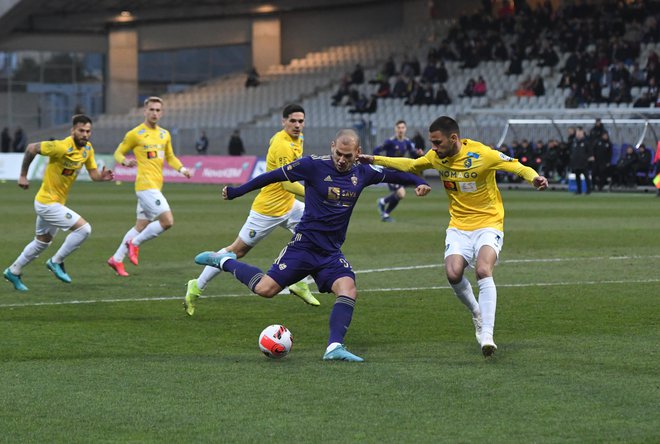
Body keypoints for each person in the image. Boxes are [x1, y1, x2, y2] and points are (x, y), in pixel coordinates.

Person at [194, 129, 431, 361]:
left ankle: (334, 347)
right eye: (338, 153)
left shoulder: (364, 172)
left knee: (348, 289)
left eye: (348, 156)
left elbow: (394, 175)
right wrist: (237, 191)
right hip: (303, 247)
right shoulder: (312, 165)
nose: (341, 159)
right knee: (265, 290)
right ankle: (224, 261)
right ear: (332, 147)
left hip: (330, 252)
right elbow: (272, 176)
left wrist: (418, 182)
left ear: (358, 152)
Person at [359, 116, 548, 357]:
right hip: (459, 226)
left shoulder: (482, 154)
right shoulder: (436, 157)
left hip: (488, 223)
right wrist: (373, 159)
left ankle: (487, 334)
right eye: (432, 143)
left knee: (482, 270)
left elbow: (517, 166)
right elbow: (410, 165)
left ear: (454, 138)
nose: (434, 148)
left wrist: (534, 178)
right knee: (453, 273)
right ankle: (477, 312)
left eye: (437, 142)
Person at [184, 104, 319, 316]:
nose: (297, 125)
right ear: (283, 121)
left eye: (301, 121)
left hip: (289, 205)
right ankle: (196, 286)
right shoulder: (282, 144)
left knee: (314, 233)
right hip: (269, 209)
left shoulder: (298, 139)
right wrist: (315, 193)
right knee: (236, 251)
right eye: (293, 121)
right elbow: (287, 183)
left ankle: (300, 282)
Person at [3, 114, 114, 292]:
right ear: (73, 131)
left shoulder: (87, 149)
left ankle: (13, 271)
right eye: (81, 130)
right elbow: (32, 148)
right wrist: (23, 175)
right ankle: (56, 261)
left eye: (88, 131)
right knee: (84, 229)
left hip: (55, 203)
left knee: (42, 242)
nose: (85, 134)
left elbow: (93, 175)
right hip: (47, 203)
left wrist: (102, 177)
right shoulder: (61, 146)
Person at [107, 96, 191, 277]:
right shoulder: (135, 134)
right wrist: (124, 161)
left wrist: (182, 169)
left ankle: (117, 259)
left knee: (140, 225)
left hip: (156, 186)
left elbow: (170, 157)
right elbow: (118, 152)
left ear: (162, 113)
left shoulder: (164, 134)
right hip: (145, 186)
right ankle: (135, 244)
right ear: (145, 111)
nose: (154, 113)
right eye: (151, 109)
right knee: (167, 221)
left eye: (158, 110)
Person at [373, 120, 424, 222]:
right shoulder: (390, 142)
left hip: (401, 171)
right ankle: (384, 209)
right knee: (401, 193)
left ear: (405, 129)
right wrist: (382, 162)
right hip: (390, 172)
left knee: (400, 194)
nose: (400, 130)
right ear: (395, 129)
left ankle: (383, 205)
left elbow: (414, 154)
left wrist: (419, 154)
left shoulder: (407, 142)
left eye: (402, 128)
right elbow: (376, 150)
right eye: (399, 128)